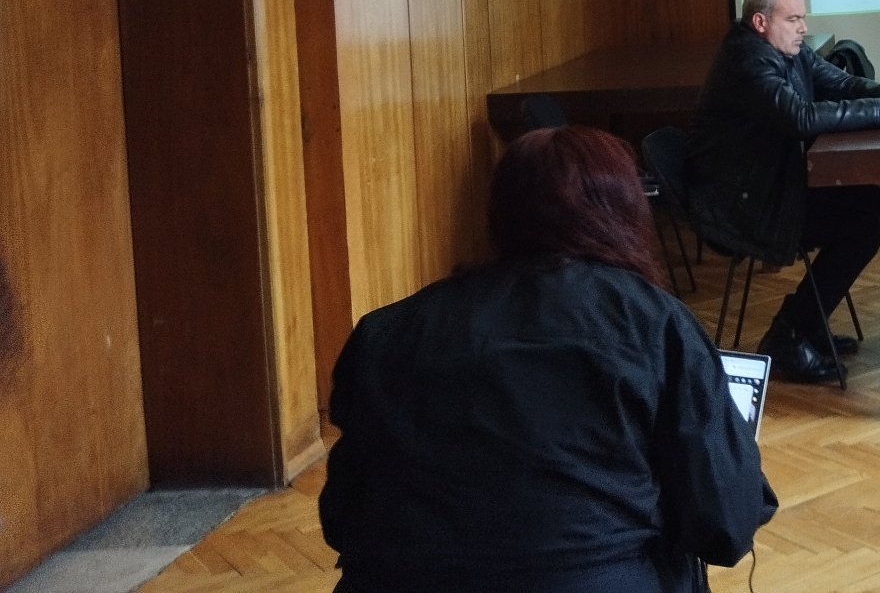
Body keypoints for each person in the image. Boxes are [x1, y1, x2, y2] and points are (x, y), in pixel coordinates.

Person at [319, 126, 775, 593]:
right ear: (623, 212)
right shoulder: (656, 324)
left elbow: (341, 518)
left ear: (498, 212)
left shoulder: (384, 332)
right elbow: (725, 528)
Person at [687, 0, 880, 384]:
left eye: (803, 18)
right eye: (793, 19)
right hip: (743, 207)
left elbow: (840, 83)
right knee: (862, 223)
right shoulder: (747, 61)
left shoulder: (788, 50)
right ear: (760, 22)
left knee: (871, 205)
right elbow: (800, 117)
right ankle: (789, 334)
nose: (803, 27)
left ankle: (804, 325)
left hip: (770, 188)